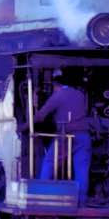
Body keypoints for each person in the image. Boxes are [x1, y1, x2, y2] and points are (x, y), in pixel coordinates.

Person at [36, 69, 91, 202]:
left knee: (49, 161)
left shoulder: (59, 95)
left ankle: (40, 196)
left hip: (65, 135)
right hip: (84, 135)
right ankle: (81, 201)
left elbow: (40, 116)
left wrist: (26, 123)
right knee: (81, 168)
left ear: (56, 84)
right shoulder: (80, 94)